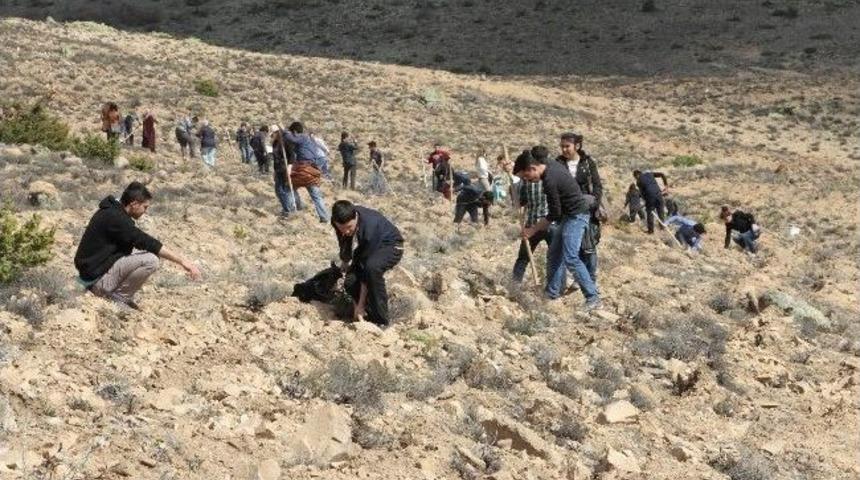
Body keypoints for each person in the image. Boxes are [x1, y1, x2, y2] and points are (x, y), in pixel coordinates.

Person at [74, 182, 201, 310]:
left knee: (139, 254)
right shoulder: (116, 218)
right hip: (96, 281)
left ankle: (114, 293)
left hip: (92, 273)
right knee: (151, 260)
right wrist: (183, 261)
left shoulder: (111, 211)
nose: (145, 211)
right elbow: (146, 241)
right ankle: (118, 298)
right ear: (134, 204)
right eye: (145, 207)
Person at [518, 151, 600, 310]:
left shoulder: (549, 180)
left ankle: (593, 297)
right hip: (568, 216)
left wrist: (532, 230)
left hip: (576, 216)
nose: (529, 181)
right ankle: (552, 293)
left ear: (532, 168)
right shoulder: (549, 164)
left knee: (570, 257)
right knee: (555, 253)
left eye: (527, 177)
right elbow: (533, 152)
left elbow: (553, 214)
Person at [331, 200, 404, 327]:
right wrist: (345, 261)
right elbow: (343, 240)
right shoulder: (338, 221)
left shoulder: (370, 227)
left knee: (372, 268)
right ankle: (367, 313)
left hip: (391, 245)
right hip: (369, 246)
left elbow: (366, 270)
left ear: (356, 218)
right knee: (349, 280)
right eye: (341, 228)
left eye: (349, 227)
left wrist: (360, 304)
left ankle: (381, 320)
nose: (346, 232)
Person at [555, 133, 603, 281]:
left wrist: (594, 202)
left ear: (577, 146)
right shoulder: (558, 163)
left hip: (587, 210)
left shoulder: (588, 163)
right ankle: (577, 278)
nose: (564, 149)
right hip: (567, 211)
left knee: (589, 246)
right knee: (571, 246)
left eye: (567, 146)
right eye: (562, 146)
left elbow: (597, 186)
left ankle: (591, 277)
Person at [511, 150, 553, 283]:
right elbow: (521, 202)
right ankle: (515, 285)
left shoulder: (549, 178)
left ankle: (554, 288)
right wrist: (512, 184)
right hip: (532, 225)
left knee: (553, 258)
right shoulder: (526, 182)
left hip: (550, 223)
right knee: (523, 258)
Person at [281, 122, 329, 222]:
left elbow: (291, 139)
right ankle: (324, 217)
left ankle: (295, 209)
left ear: (295, 131)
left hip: (303, 169)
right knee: (316, 196)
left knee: (289, 188)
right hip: (311, 169)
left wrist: (284, 131)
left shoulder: (302, 137)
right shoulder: (310, 139)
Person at [633, 169, 669, 234]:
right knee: (661, 212)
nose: (636, 179)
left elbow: (643, 193)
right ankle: (662, 228)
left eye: (635, 177)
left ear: (637, 175)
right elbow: (662, 174)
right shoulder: (649, 174)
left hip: (650, 198)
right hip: (659, 195)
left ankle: (651, 231)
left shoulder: (638, 181)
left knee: (650, 212)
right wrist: (666, 185)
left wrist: (645, 201)